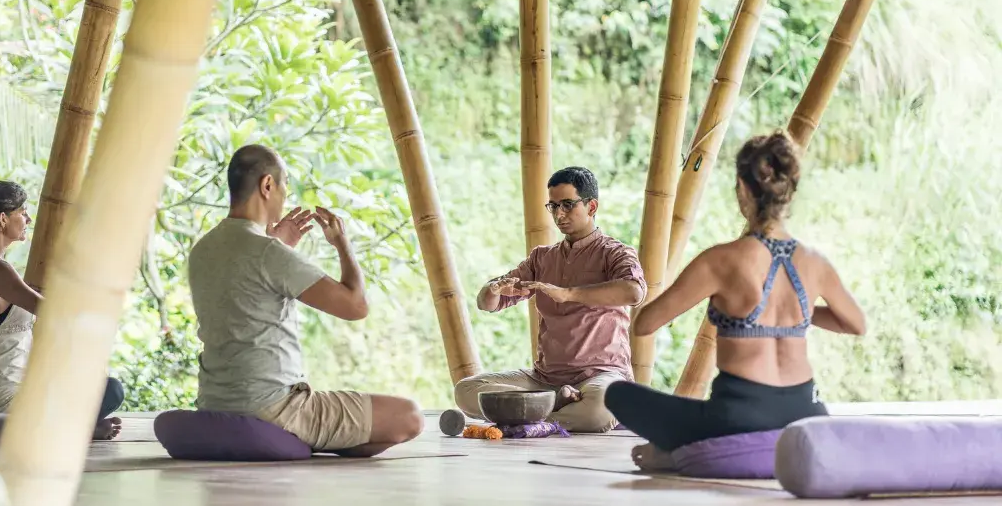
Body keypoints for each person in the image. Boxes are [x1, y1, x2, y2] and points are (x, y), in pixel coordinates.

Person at [604, 132, 867, 470]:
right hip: (805, 411)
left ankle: (682, 454)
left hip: (737, 416)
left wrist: (718, 302)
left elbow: (645, 324)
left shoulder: (721, 260)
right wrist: (795, 313)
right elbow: (855, 324)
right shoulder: (814, 261)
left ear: (743, 188)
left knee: (617, 394)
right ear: (790, 190)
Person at [188, 144, 423, 457]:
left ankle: (304, 443)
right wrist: (342, 243)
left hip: (215, 403)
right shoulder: (268, 253)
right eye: (285, 184)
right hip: (275, 408)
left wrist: (276, 244)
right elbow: (355, 307)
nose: (286, 194)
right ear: (267, 185)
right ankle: (301, 439)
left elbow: (244, 290)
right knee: (409, 416)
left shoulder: (203, 250)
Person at [454, 166, 646, 433]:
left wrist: (569, 294)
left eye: (567, 205)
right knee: (466, 390)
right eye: (553, 206)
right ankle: (554, 404)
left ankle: (525, 418)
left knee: (597, 413)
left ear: (592, 206)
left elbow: (634, 291)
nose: (559, 214)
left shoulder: (615, 253)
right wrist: (492, 290)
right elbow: (488, 303)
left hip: (600, 377)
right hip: (545, 380)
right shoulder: (542, 257)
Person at [0, 180, 125, 440]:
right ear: (3, 219)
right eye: (22, 213)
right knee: (110, 390)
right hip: (3, 400)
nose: (29, 219)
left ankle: (75, 428)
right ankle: (77, 430)